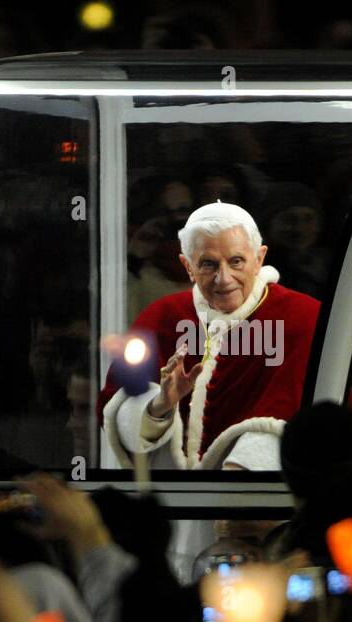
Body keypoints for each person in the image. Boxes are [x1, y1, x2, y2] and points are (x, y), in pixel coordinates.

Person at [99, 201, 320, 471]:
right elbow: (118, 411)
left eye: (236, 261)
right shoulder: (162, 318)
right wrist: (160, 406)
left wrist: (239, 483)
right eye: (208, 264)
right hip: (177, 501)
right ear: (188, 266)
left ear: (259, 258)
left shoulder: (303, 317)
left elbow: (310, 419)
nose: (223, 278)